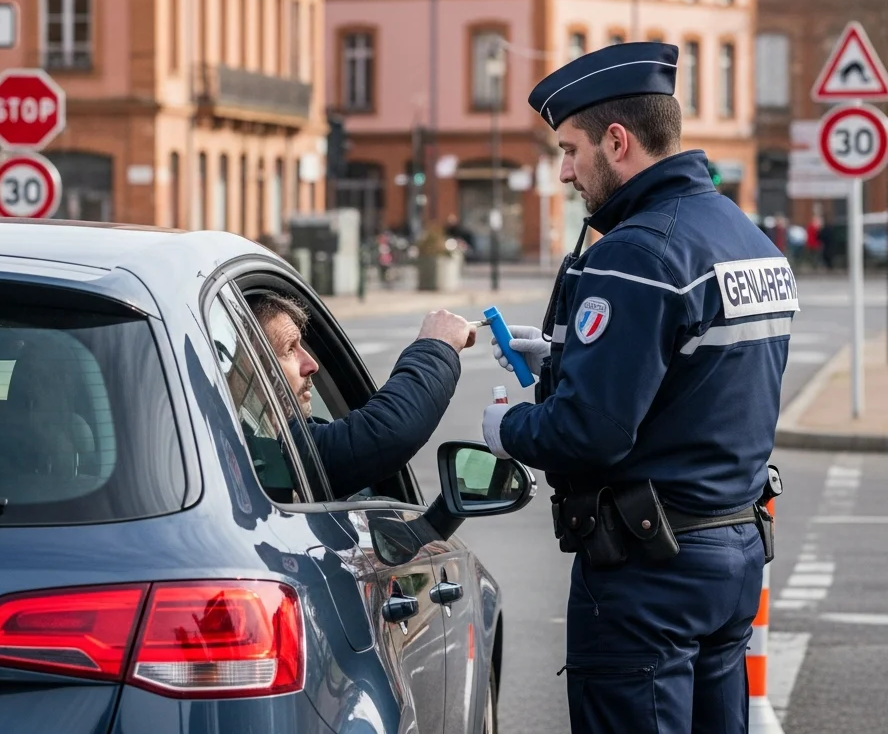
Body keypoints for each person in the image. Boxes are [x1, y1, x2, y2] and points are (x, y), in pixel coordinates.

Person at [481, 41, 797, 734]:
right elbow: (692, 381)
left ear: (617, 142)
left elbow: (587, 432)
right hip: (732, 554)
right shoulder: (749, 240)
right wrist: (565, 355)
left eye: (571, 150)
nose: (565, 171)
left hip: (649, 575)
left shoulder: (635, 252)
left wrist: (504, 429)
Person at [249, 292, 475, 499]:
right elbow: (386, 433)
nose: (312, 365)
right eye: (289, 349)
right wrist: (437, 346)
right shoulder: (261, 449)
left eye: (301, 345)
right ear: (244, 365)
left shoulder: (251, 438)